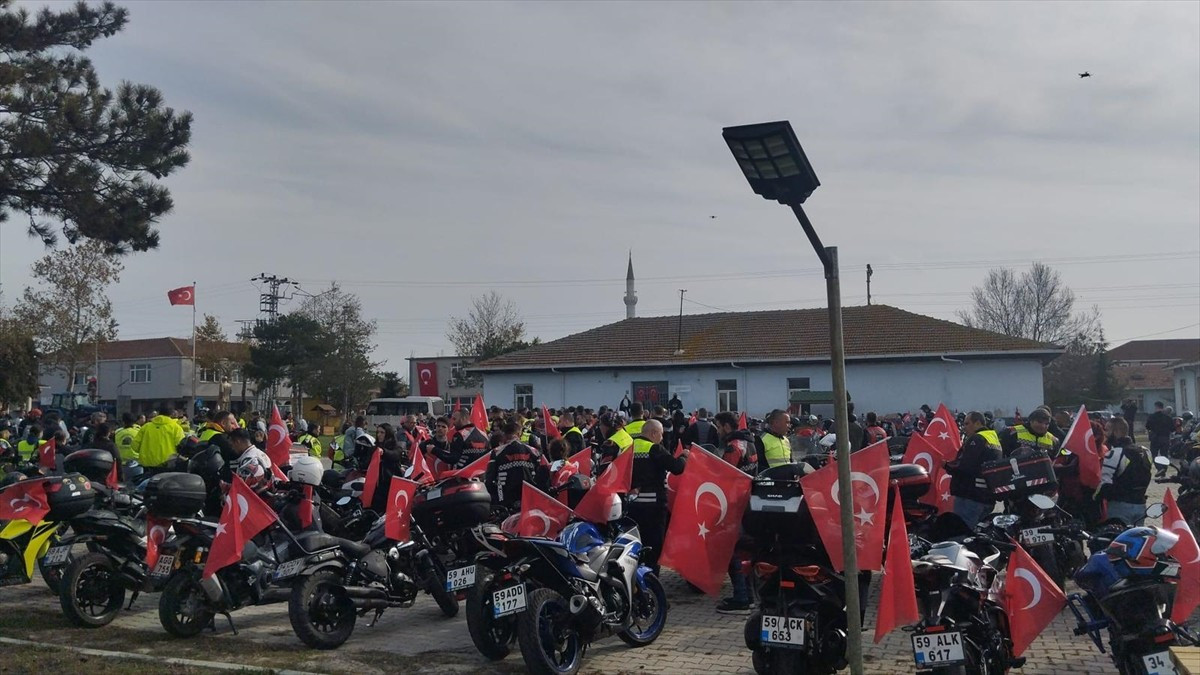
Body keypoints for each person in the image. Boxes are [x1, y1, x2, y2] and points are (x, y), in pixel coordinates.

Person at [629, 420, 687, 573]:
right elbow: (676, 468)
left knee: (636, 543)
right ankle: (651, 580)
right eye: (661, 434)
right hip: (654, 505)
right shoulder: (654, 448)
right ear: (653, 433)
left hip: (632, 505)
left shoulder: (628, 447)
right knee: (654, 545)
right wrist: (684, 457)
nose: (662, 438)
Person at [945, 411, 1002, 529]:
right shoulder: (993, 438)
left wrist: (945, 465)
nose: (964, 427)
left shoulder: (977, 439)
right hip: (987, 496)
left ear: (977, 423)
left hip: (970, 495)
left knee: (961, 533)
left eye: (967, 423)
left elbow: (965, 466)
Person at [485, 418, 548, 509]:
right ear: (519, 434)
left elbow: (490, 478)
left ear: (504, 435)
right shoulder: (533, 451)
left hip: (506, 498)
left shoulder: (497, 452)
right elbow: (541, 475)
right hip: (529, 496)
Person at [1097, 417, 1151, 526]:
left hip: (1119, 506)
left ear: (1116, 432)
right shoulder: (1145, 451)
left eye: (1107, 430)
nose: (1104, 433)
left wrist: (1095, 499)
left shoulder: (1114, 453)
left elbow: (1104, 483)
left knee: (1117, 541)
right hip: (1140, 506)